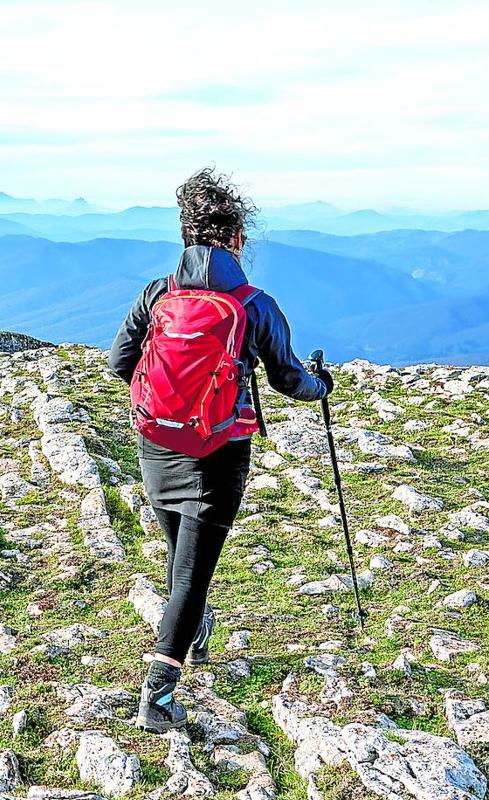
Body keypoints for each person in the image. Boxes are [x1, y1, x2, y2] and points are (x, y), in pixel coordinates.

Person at [108, 168, 333, 733]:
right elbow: (288, 380)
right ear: (236, 239)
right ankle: (157, 696)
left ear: (187, 235)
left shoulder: (158, 293)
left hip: (156, 441)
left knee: (182, 557)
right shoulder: (254, 304)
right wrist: (321, 384)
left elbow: (118, 364)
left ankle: (195, 623)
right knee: (190, 574)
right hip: (219, 454)